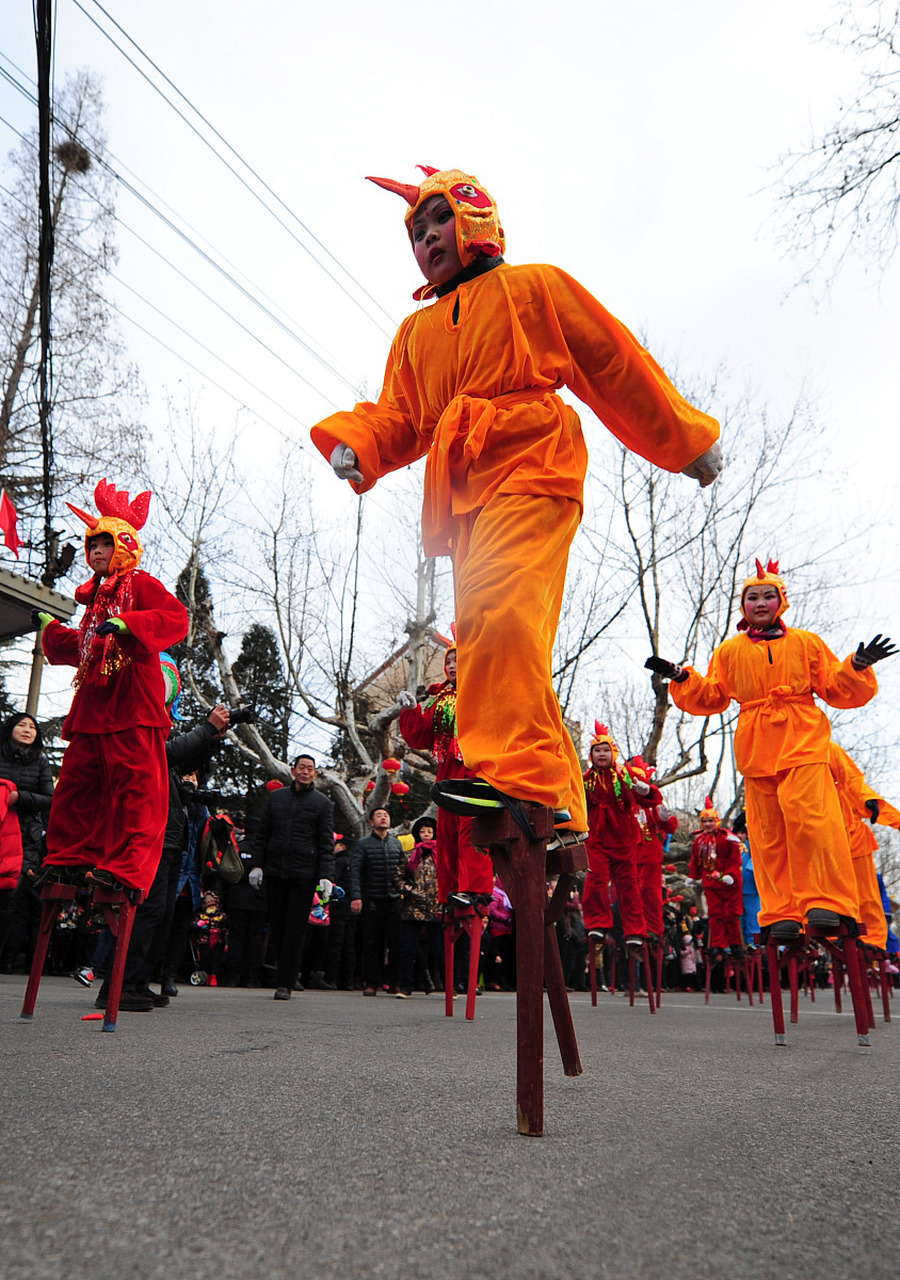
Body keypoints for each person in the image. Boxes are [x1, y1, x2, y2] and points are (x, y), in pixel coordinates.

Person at [311, 166, 722, 840]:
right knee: (492, 639)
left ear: (473, 218)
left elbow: (612, 364)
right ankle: (560, 800)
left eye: (436, 220)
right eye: (414, 233)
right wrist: (359, 443)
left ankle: (517, 780)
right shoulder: (414, 334)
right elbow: (402, 417)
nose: (425, 240)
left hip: (534, 463)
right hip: (464, 493)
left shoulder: (534, 287)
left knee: (502, 616)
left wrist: (683, 441)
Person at [658, 558, 894, 939]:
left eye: (769, 596)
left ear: (782, 601)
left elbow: (834, 686)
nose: (761, 603)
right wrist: (682, 677)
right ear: (743, 605)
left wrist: (857, 665)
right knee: (768, 834)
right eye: (753, 597)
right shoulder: (729, 650)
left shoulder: (805, 642)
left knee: (813, 825)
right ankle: (780, 911)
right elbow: (713, 695)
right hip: (756, 747)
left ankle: (826, 903)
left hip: (802, 740)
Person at [33, 479, 188, 896]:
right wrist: (53, 631)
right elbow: (87, 646)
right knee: (75, 784)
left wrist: (130, 624)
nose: (95, 552)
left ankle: (127, 868)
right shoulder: (98, 600)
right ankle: (67, 859)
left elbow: (176, 619)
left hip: (133, 703)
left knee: (136, 789)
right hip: (93, 704)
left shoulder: (140, 585)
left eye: (104, 544)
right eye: (91, 545)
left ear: (124, 547)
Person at [398, 636, 492, 907]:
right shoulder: (440, 700)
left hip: (475, 767)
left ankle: (476, 888)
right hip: (448, 770)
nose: (452, 666)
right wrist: (412, 710)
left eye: (458, 660)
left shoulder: (482, 691)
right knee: (447, 831)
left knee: (470, 828)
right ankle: (450, 893)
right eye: (448, 661)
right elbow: (421, 737)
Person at [249, 753, 335, 1001]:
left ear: (315, 773)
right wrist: (257, 865)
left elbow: (325, 843)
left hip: (304, 874)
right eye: (301, 767)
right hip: (276, 871)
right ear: (293, 770)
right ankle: (282, 974)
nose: (305, 772)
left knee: (295, 929)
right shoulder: (276, 798)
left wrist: (325, 876)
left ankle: (286, 982)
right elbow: (263, 834)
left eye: (310, 768)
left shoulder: (322, 803)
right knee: (277, 926)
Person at [581, 724, 661, 953]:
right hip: (596, 837)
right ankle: (597, 925)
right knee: (595, 881)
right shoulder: (585, 779)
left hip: (624, 838)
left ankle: (635, 930)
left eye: (606, 750)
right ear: (592, 756)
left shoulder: (626, 775)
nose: (602, 754)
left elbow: (649, 800)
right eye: (597, 751)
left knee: (628, 886)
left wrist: (645, 792)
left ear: (613, 753)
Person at [0, 713, 54, 965]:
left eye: (32, 727)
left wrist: (19, 798)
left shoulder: (40, 762)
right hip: (1, 831)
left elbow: (49, 799)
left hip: (24, 840)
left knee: (11, 898)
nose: (27, 730)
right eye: (21, 725)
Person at [349, 807, 404, 995]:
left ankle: (395, 982)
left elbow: (403, 871)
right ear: (371, 822)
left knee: (396, 944)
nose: (383, 818)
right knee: (372, 944)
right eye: (379, 816)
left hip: (394, 901)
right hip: (371, 900)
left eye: (386, 815)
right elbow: (355, 871)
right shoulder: (363, 844)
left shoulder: (397, 844)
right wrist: (356, 896)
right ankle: (371, 982)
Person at [627, 755, 678, 943]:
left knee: (650, 893)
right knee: (629, 894)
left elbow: (671, 826)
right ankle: (632, 929)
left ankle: (654, 929)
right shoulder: (625, 802)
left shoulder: (653, 804)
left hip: (650, 856)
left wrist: (666, 818)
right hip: (628, 856)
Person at [687, 797, 744, 957]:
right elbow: (696, 861)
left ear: (716, 821)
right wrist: (693, 876)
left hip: (730, 884)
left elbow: (734, 859)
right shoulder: (699, 842)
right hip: (711, 884)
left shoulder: (728, 839)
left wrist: (730, 875)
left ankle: (736, 945)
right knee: (716, 916)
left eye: (710, 821)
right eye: (704, 821)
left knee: (732, 915)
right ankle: (717, 944)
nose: (707, 824)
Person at [395, 815, 442, 997]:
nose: (426, 835)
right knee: (408, 950)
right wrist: (409, 889)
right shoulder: (408, 856)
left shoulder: (442, 855)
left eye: (430, 831)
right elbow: (397, 878)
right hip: (412, 907)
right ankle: (406, 986)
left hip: (436, 907)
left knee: (440, 951)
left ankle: (448, 986)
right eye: (422, 831)